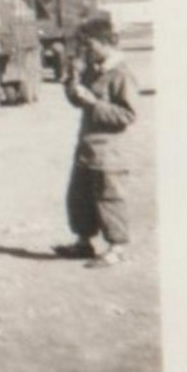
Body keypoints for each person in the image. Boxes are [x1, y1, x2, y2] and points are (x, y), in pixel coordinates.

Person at [53, 16, 140, 268]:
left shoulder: (121, 74)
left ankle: (117, 248)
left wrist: (94, 103)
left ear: (104, 42)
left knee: (109, 198)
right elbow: (79, 102)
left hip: (110, 153)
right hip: (88, 149)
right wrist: (71, 83)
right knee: (80, 197)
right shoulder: (95, 69)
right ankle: (84, 242)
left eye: (90, 45)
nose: (86, 51)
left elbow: (127, 115)